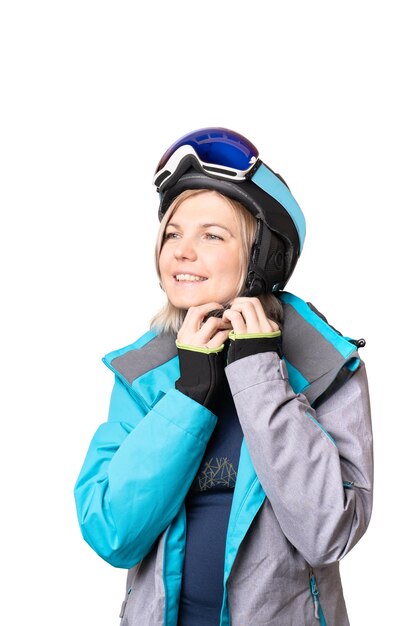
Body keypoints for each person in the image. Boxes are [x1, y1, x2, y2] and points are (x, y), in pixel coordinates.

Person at [74, 127, 373, 626]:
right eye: (173, 233)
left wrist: (259, 374)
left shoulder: (325, 369)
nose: (181, 252)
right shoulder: (144, 374)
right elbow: (112, 533)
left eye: (211, 235)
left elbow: (329, 532)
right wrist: (191, 394)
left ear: (262, 258)